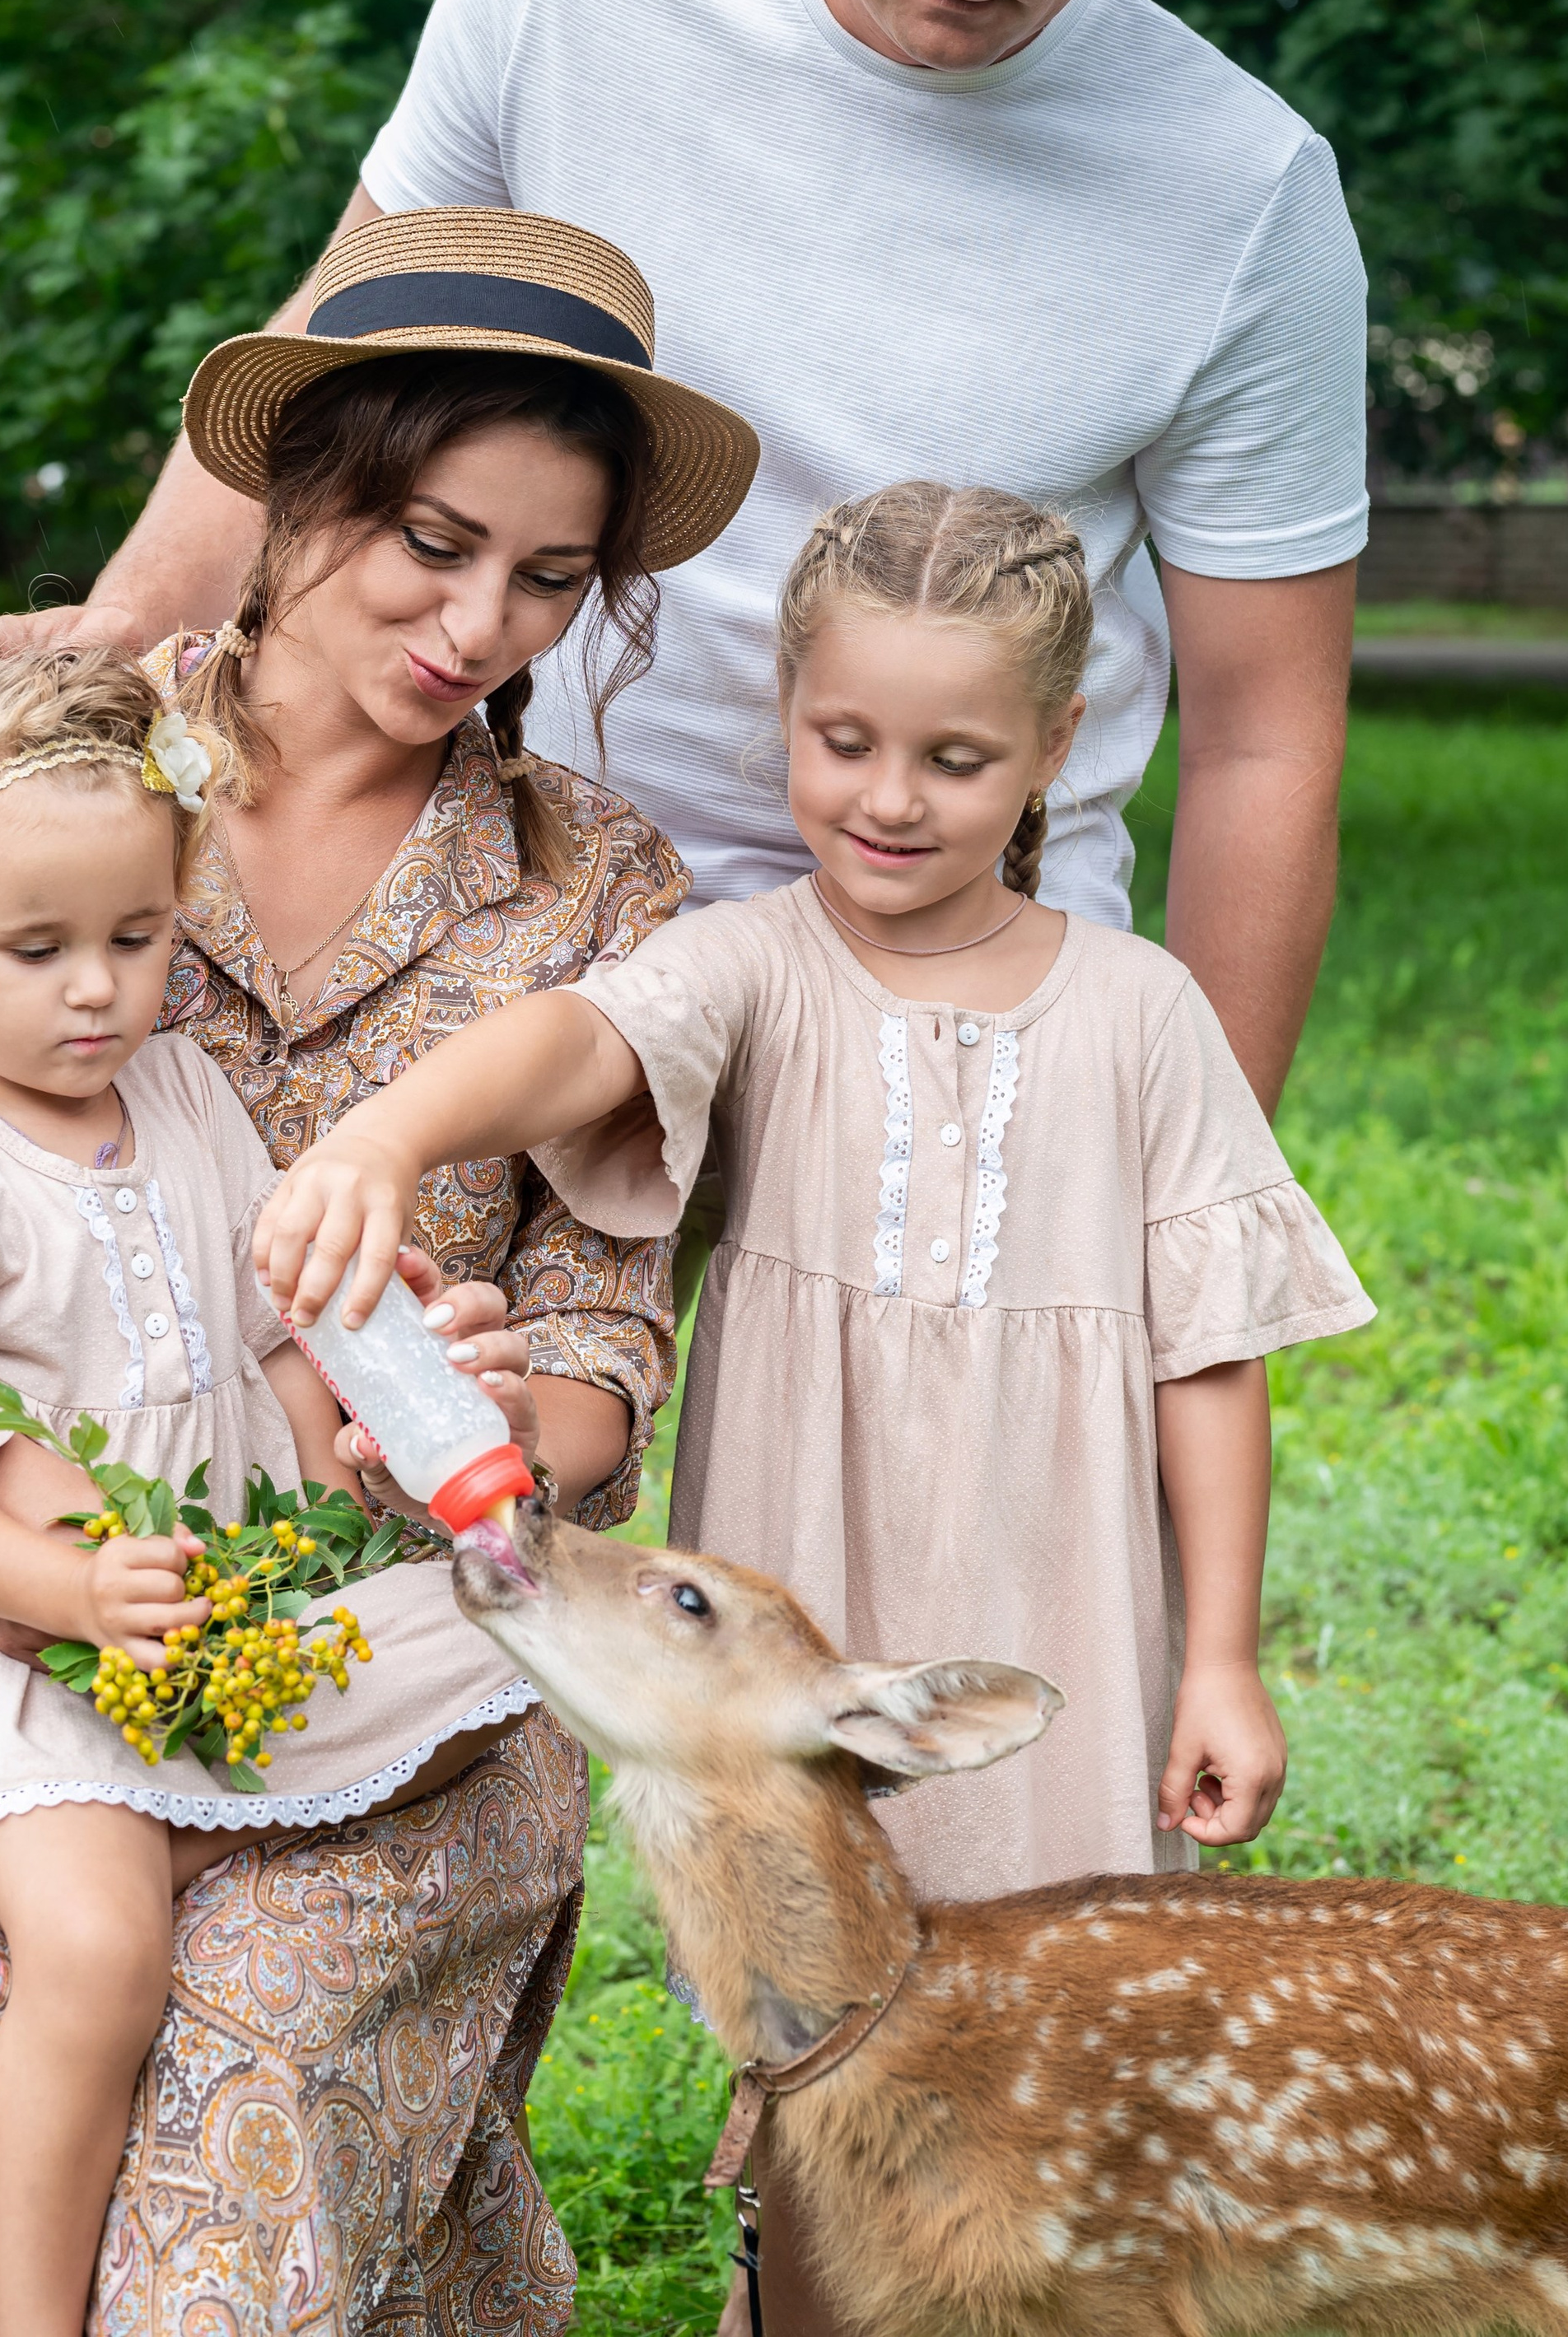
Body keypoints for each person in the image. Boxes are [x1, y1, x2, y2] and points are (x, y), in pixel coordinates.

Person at [0, 209, 759, 2337]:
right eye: (432, 542)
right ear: (306, 492)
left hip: (384, 1670)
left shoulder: (597, 886)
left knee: (252, 2034)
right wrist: (29, 1534)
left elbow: (607, 1347)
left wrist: (468, 1407)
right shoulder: (22, 749)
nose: (479, 623)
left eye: (550, 578)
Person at [0, 0, 1367, 1114]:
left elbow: (1262, 741)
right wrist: (123, 642)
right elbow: (344, 347)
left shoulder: (1246, 192)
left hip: (945, 1001)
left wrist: (1205, 1192)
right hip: (507, 930)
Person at [255, 479, 1376, 2331]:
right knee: (817, 1993)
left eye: (952, 756)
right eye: (842, 739)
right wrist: (386, 1131)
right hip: (805, 1570)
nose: (887, 795)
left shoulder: (1141, 1010)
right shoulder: (756, 965)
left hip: (1057, 1570)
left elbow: (1208, 1347)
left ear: (1052, 752)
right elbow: (580, 1045)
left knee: (1075, 1995)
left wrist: (1221, 1657)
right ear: (782, 717)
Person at [0, 647, 542, 2337]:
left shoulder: (179, 1097)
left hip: (211, 1596)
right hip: (13, 1652)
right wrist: (70, 1595)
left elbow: (274, 1343)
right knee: (96, 1953)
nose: (96, 992)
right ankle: (28, 2316)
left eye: (135, 938)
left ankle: (193, 1789)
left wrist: (384, 1386)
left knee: (493, 1648)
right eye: (34, 953)